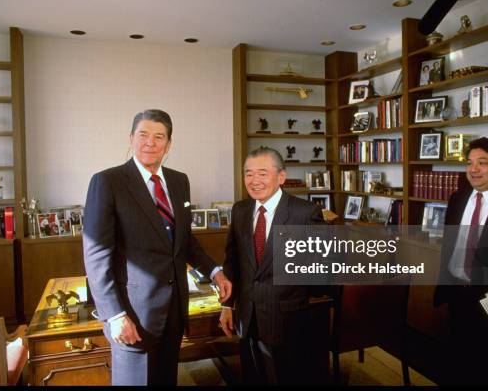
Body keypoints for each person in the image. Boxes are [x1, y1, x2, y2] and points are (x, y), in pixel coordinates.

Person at [83, 109, 232, 385]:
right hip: (133, 315)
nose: (150, 142)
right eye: (143, 135)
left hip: (174, 312)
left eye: (158, 136)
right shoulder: (107, 181)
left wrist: (215, 272)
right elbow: (96, 256)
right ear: (131, 138)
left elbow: (183, 240)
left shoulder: (179, 181)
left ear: (169, 144)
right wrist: (115, 315)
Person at [219, 147, 327, 385]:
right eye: (248, 173)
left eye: (262, 173)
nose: (254, 181)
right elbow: (232, 262)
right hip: (247, 317)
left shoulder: (305, 213)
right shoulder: (240, 210)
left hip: (287, 320)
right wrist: (227, 305)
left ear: (281, 177)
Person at [434, 137, 488, 385]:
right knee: (459, 364)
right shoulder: (457, 199)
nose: (473, 169)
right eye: (470, 163)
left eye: (482, 163)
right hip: (457, 295)